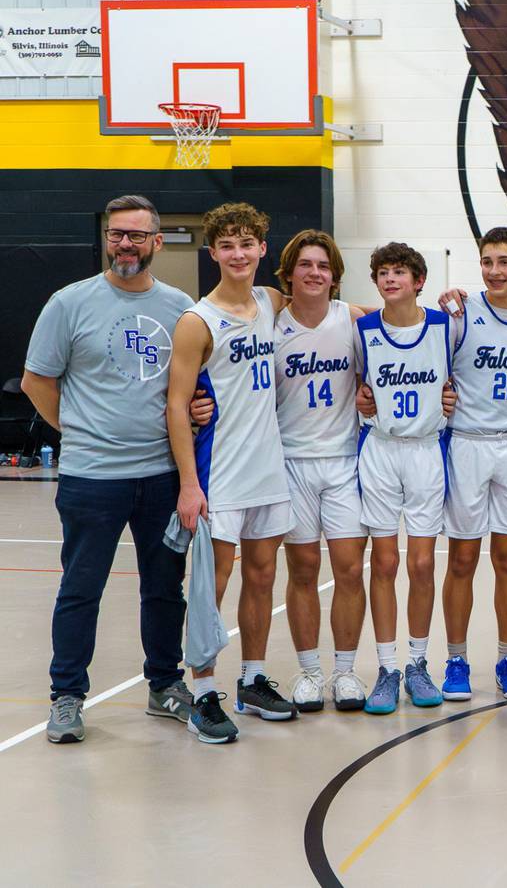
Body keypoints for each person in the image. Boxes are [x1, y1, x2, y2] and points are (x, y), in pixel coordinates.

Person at [23, 194, 194, 744]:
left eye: (137, 235)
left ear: (156, 243)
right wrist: (77, 432)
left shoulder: (179, 306)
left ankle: (165, 685)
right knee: (81, 588)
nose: (125, 244)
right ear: (107, 240)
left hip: (162, 475)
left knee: (165, 588)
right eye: (117, 234)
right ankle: (67, 696)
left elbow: (191, 387)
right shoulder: (68, 303)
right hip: (91, 478)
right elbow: (37, 382)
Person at [166, 202, 297, 743]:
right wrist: (189, 485)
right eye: (227, 245)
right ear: (213, 252)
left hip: (268, 468)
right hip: (219, 475)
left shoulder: (270, 301)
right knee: (209, 587)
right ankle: (201, 694)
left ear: (263, 249)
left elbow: (334, 308)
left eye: (248, 244)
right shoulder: (198, 321)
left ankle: (252, 678)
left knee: (263, 578)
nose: (239, 254)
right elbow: (176, 406)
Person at [270, 231, 372, 712]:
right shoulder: (270, 323)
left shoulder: (350, 319)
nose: (314, 272)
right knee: (304, 568)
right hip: (291, 462)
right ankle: (310, 672)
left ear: (334, 276)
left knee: (350, 568)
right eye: (305, 265)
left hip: (344, 463)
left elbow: (407, 333)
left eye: (323, 266)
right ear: (289, 272)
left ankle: (346, 673)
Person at [441, 227, 507, 700]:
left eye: (505, 262)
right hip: (468, 443)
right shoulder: (459, 314)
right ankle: (457, 660)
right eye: (487, 261)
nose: (495, 271)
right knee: (462, 558)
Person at [353, 243, 452, 714]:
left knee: (422, 564)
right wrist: (360, 397)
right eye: (383, 272)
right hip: (380, 450)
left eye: (400, 272)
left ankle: (418, 663)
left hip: (426, 451)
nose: (390, 279)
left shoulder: (444, 326)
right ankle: (388, 667)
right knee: (386, 562)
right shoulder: (363, 329)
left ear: (419, 280)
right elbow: (353, 383)